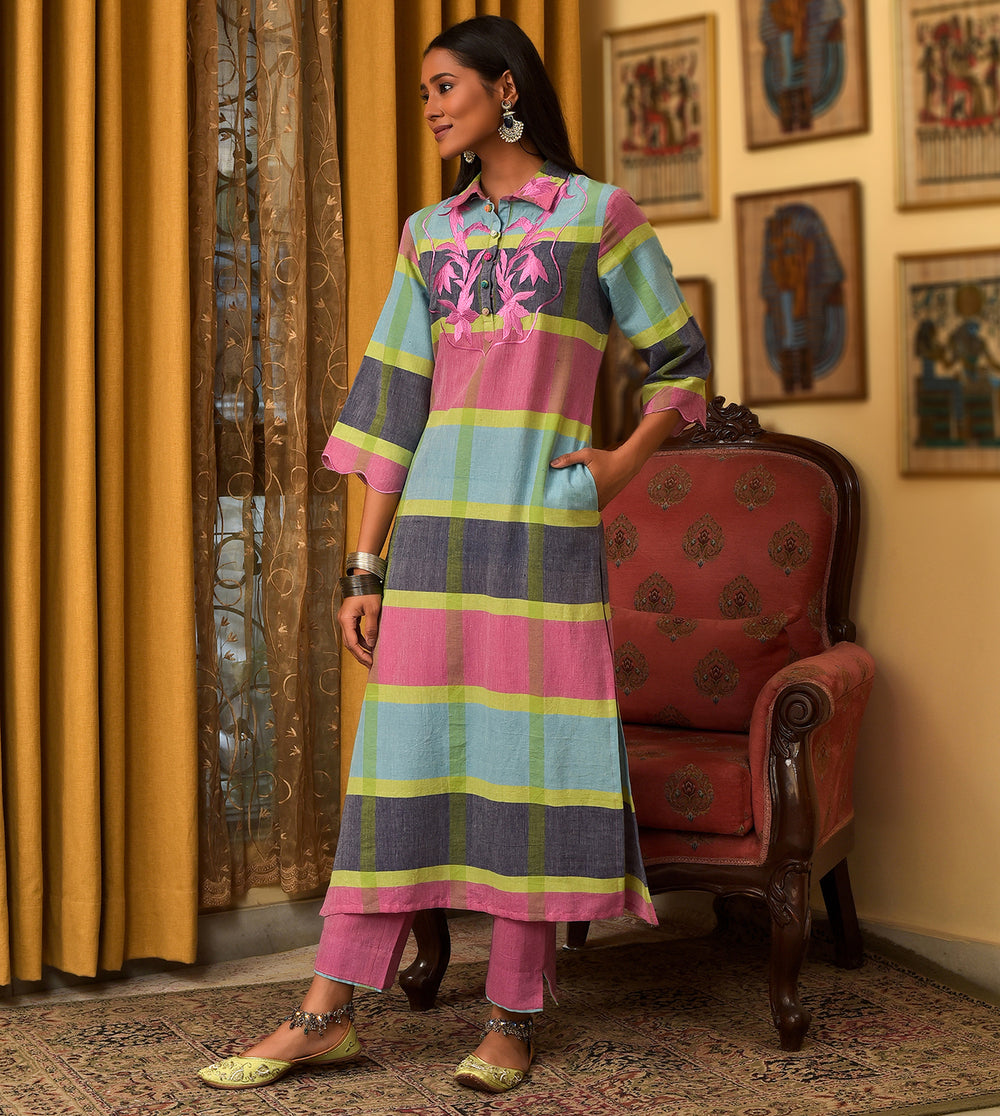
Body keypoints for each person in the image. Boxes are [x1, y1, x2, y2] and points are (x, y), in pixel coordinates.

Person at [198, 14, 708, 1094]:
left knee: (530, 767)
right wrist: (364, 566)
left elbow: (679, 366)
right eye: (425, 89)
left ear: (505, 88)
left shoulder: (597, 217)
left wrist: (619, 465)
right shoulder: (429, 233)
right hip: (432, 539)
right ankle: (325, 1013)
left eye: (444, 86)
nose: (428, 105)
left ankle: (513, 1017)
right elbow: (394, 403)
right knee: (401, 765)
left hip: (540, 533)